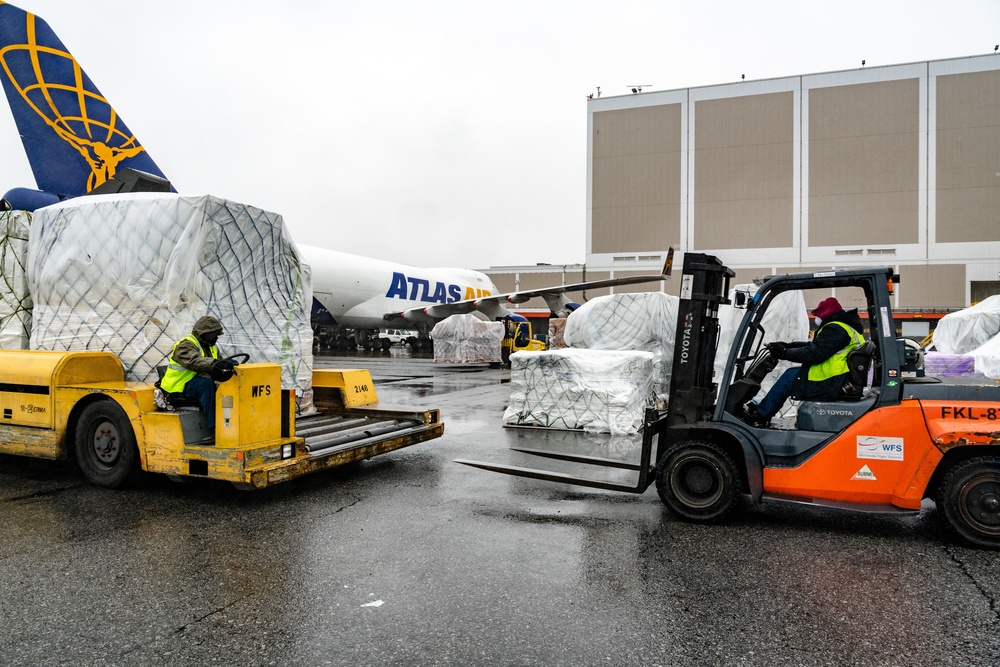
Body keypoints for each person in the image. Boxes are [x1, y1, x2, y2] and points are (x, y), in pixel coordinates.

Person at [736, 297, 865, 428]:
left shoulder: (836, 329)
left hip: (833, 381)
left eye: (818, 315)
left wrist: (785, 353)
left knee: (790, 377)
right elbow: (815, 345)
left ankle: (761, 416)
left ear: (826, 314)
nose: (816, 318)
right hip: (838, 378)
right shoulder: (843, 327)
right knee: (792, 374)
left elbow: (814, 353)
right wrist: (788, 346)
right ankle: (763, 410)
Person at [159, 316, 235, 426]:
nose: (216, 338)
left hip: (194, 382)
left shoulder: (211, 347)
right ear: (204, 333)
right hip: (179, 386)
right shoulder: (185, 345)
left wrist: (229, 364)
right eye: (214, 335)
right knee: (206, 384)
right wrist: (214, 363)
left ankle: (232, 421)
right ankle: (213, 426)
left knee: (228, 382)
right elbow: (194, 361)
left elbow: (219, 363)